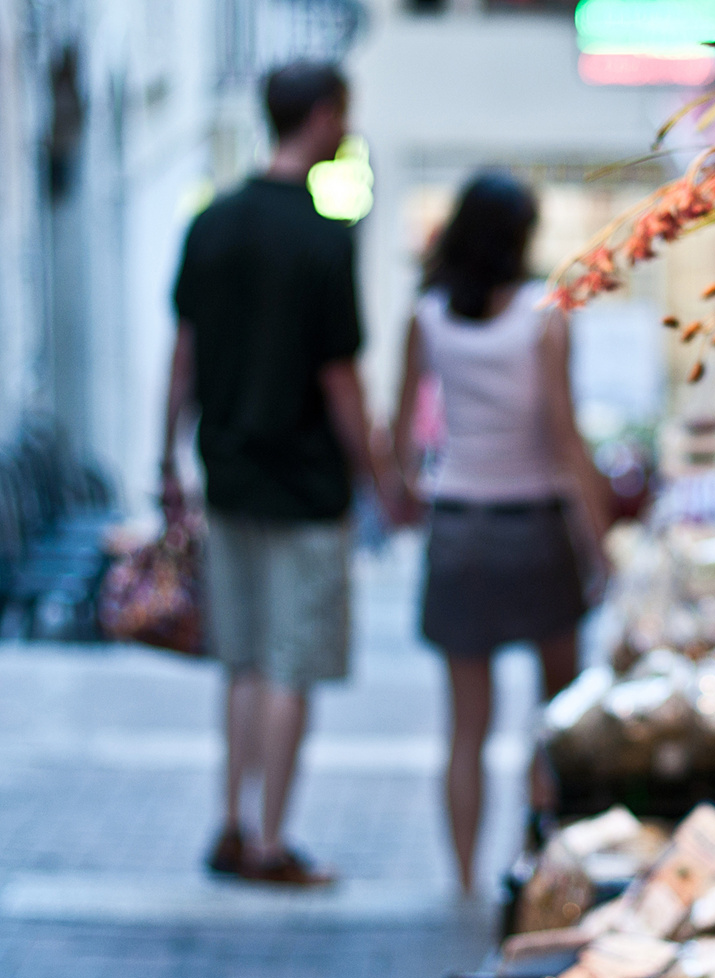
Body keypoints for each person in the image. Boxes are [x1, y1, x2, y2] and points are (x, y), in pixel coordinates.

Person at [160, 61, 407, 886]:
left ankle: (231, 823)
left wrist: (166, 458)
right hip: (304, 483)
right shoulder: (322, 239)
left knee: (240, 658)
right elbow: (342, 380)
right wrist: (377, 478)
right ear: (325, 115)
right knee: (289, 662)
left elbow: (183, 354)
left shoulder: (212, 223)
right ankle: (270, 839)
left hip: (227, 468)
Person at [390, 173, 611, 894]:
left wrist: (406, 499)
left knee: (466, 728)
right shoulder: (544, 315)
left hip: (458, 529)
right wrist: (599, 536)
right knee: (556, 716)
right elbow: (563, 431)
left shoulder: (426, 317)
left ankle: (461, 880)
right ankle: (540, 863)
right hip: (536, 528)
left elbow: (398, 437)